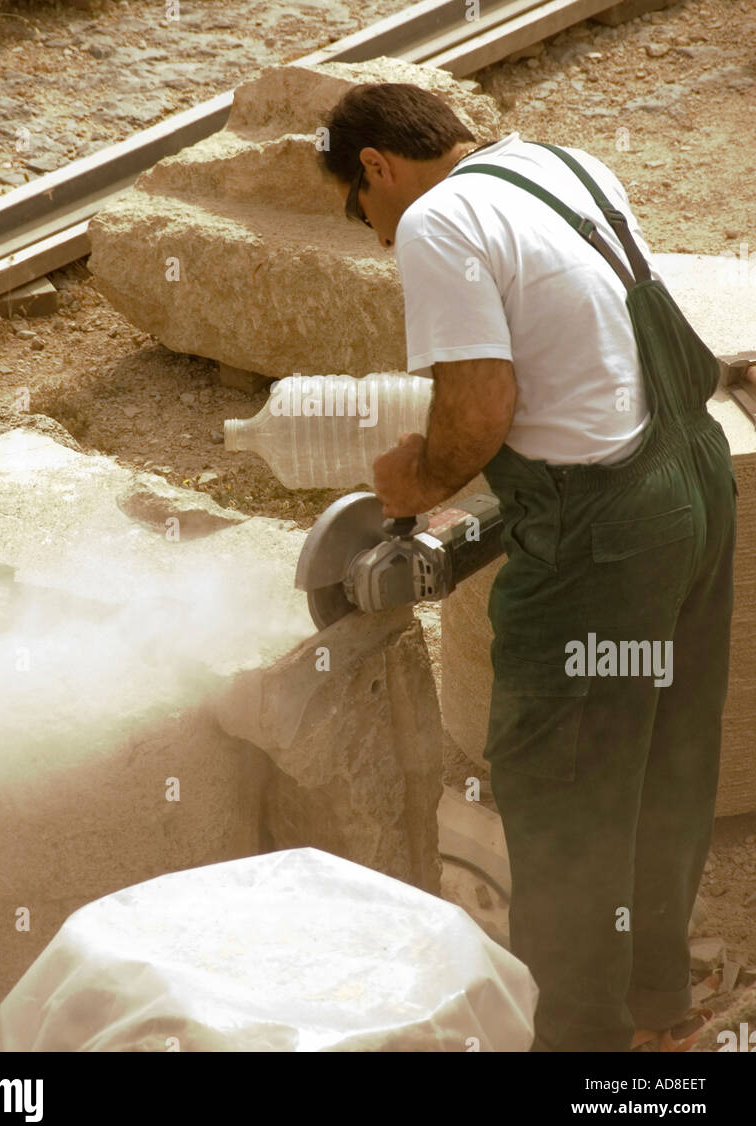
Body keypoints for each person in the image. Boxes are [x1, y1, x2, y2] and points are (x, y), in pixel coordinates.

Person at [318, 81, 742, 1053]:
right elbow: (585, 366)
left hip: (605, 540)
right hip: (691, 484)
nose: (377, 233)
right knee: (664, 764)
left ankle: (577, 1044)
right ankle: (653, 1008)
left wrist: (417, 478)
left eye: (360, 205)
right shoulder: (561, 164)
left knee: (562, 784)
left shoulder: (436, 222)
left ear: (377, 167)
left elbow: (477, 414)